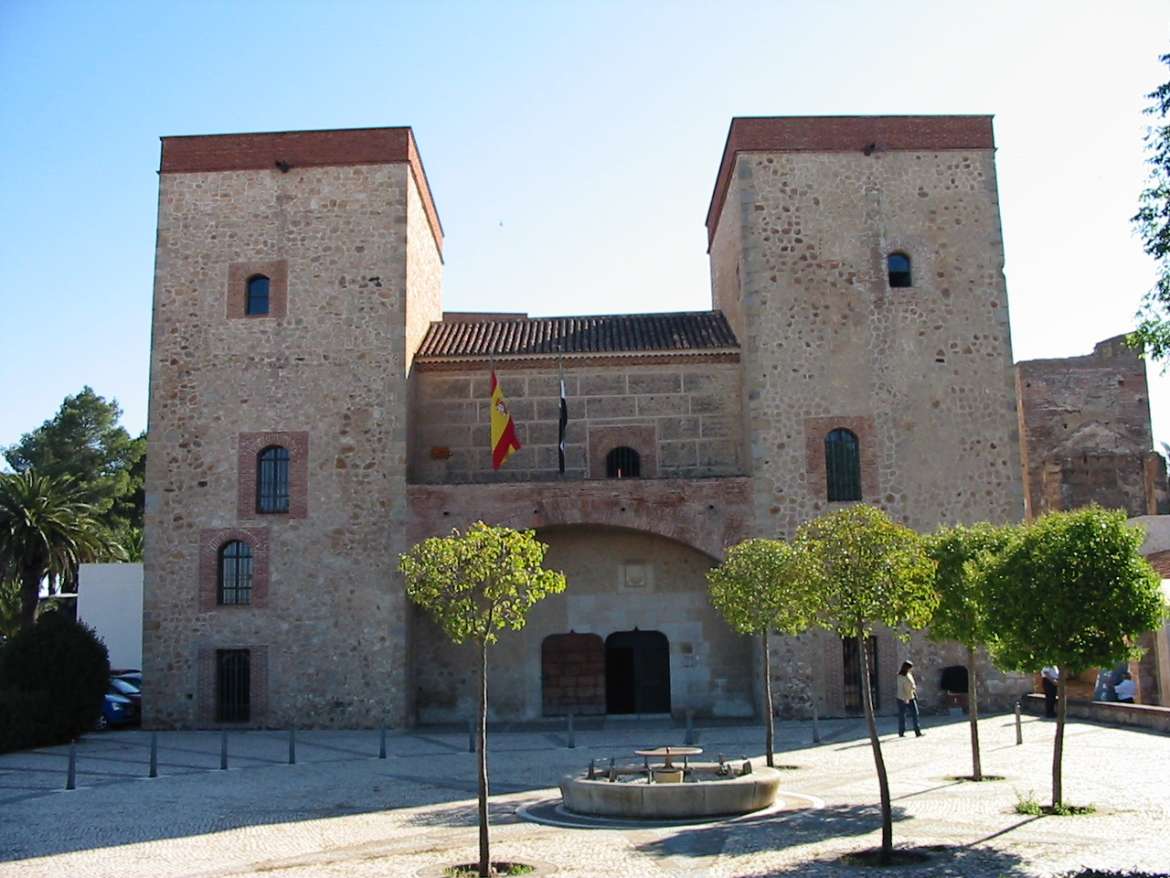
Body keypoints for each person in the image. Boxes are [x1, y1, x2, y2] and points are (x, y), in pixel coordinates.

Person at [896, 660, 923, 737]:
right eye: (910, 668)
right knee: (902, 715)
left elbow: (912, 684)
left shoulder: (909, 674)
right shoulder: (900, 676)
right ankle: (901, 732)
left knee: (915, 714)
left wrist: (914, 689)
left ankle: (917, 731)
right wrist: (905, 699)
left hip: (911, 696)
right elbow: (901, 688)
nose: (911, 669)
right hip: (903, 698)